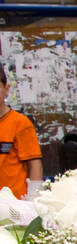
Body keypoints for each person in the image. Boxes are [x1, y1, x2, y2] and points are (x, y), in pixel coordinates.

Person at [0, 67, 41, 196]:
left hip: (14, 206)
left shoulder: (20, 123)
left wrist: (34, 198)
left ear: (6, 89)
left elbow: (34, 164)